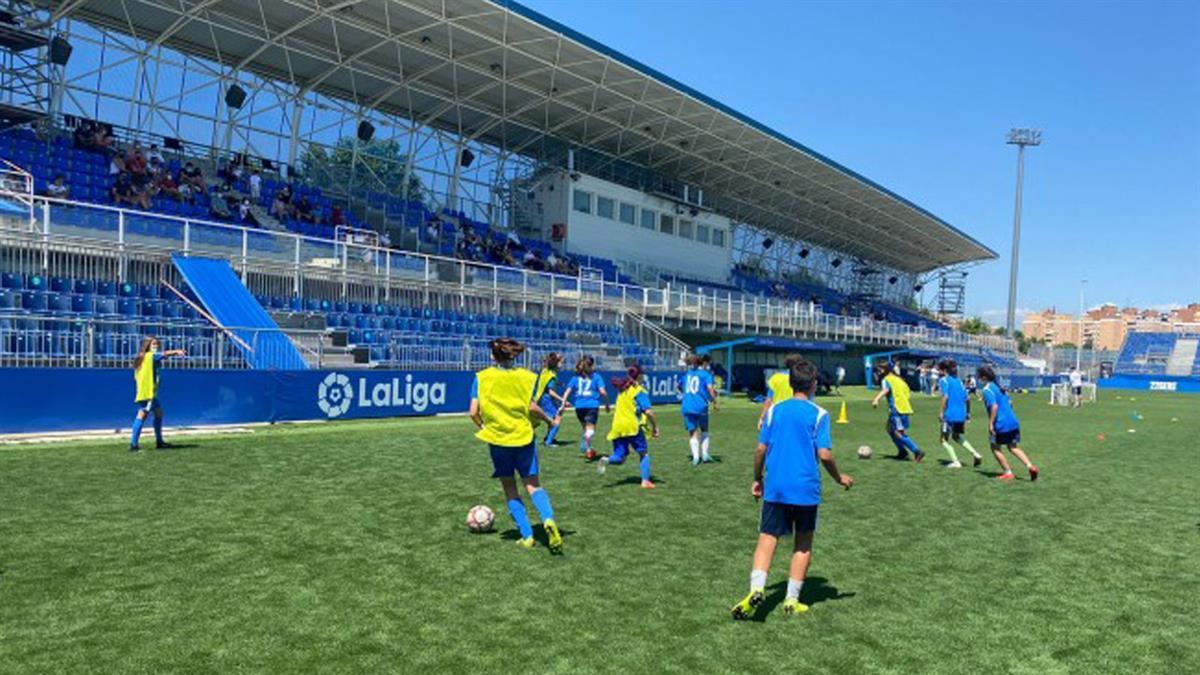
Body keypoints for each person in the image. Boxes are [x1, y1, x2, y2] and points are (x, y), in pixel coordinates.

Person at [730, 358, 853, 620]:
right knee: (803, 543)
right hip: (806, 488)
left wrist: (757, 478)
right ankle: (791, 600)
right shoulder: (819, 414)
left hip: (776, 486)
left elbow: (760, 449)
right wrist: (839, 477)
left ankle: (756, 590)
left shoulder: (773, 411)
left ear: (789, 382)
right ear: (814, 384)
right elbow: (825, 454)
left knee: (767, 539)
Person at [468, 337, 563, 552]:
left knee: (510, 487)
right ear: (514, 355)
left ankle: (527, 535)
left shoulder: (481, 378)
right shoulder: (527, 377)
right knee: (533, 485)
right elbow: (531, 407)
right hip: (523, 437)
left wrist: (482, 426)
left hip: (497, 439)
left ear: (493, 356)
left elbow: (473, 412)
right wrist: (549, 421)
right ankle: (548, 519)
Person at [598, 365, 660, 489]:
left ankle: (607, 460)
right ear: (640, 376)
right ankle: (645, 481)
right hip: (632, 426)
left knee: (620, 457)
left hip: (618, 426)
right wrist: (655, 427)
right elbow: (648, 411)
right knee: (644, 453)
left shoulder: (623, 389)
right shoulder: (639, 390)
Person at [978, 366, 1039, 482]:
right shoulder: (1000, 388)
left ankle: (1008, 472)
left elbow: (994, 407)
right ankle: (1030, 466)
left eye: (979, 376)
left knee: (995, 447)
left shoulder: (987, 390)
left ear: (984, 377)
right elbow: (1010, 403)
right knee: (1013, 447)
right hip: (1013, 421)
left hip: (1000, 423)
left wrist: (991, 424)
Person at [129, 336, 186, 452]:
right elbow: (164, 354)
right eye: (154, 344)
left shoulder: (142, 358)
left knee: (159, 413)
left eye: (157, 344)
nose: (156, 346)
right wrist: (176, 351)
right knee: (142, 415)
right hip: (147, 392)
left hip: (148, 392)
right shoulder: (150, 357)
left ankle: (159, 441)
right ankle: (133, 444)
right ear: (148, 345)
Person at [871, 363, 925, 462]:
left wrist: (876, 399)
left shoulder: (886, 379)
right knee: (889, 429)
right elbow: (907, 393)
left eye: (881, 369)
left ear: (887, 369)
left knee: (898, 433)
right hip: (905, 408)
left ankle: (917, 451)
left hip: (897, 409)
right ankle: (902, 451)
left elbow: (885, 390)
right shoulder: (900, 380)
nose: (879, 371)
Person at [937, 359, 983, 468]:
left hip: (950, 414)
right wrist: (968, 413)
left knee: (943, 439)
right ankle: (975, 454)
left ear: (944, 370)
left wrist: (941, 412)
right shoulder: (959, 382)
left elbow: (945, 397)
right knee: (957, 436)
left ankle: (955, 461)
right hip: (961, 414)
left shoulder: (944, 380)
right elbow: (967, 398)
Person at [561, 355, 609, 460]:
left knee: (585, 428)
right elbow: (602, 392)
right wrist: (607, 404)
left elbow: (567, 392)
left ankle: (588, 450)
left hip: (579, 406)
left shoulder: (575, 378)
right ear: (592, 365)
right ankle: (587, 444)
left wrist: (563, 404)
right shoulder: (596, 377)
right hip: (592, 405)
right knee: (590, 430)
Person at [680, 354, 719, 465]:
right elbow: (710, 389)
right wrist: (715, 402)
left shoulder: (687, 374)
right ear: (703, 363)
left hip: (687, 406)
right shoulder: (706, 375)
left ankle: (696, 458)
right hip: (701, 405)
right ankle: (705, 455)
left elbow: (679, 386)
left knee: (692, 432)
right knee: (704, 429)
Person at [533, 352, 569, 448]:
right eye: (561, 363)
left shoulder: (545, 371)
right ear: (556, 364)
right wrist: (563, 400)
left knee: (549, 418)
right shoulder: (552, 375)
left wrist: (558, 384)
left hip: (539, 398)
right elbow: (550, 392)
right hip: (546, 399)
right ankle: (548, 442)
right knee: (557, 417)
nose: (562, 365)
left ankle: (548, 438)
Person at [758, 353, 802, 430]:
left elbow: (769, 400)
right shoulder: (802, 379)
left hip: (777, 414)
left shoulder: (776, 378)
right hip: (796, 415)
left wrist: (762, 418)